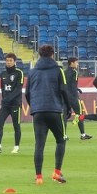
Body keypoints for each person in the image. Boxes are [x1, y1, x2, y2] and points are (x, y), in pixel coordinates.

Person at [25, 44, 71, 185]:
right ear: (52, 55)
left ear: (39, 55)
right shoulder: (58, 70)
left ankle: (38, 177)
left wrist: (34, 106)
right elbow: (63, 90)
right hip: (54, 110)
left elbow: (27, 93)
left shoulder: (32, 72)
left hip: (38, 111)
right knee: (61, 140)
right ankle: (57, 172)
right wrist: (68, 107)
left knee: (39, 145)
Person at [0, 53, 24, 154]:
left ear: (14, 62)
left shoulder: (19, 73)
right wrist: (4, 99)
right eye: (7, 61)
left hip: (15, 104)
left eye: (10, 61)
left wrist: (8, 99)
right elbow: (2, 89)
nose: (8, 63)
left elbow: (18, 90)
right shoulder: (3, 73)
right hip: (5, 104)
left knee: (16, 125)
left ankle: (16, 146)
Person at [64, 57, 92, 141]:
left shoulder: (64, 72)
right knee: (80, 114)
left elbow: (66, 84)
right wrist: (76, 92)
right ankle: (83, 134)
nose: (77, 64)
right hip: (73, 96)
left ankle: (64, 135)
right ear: (72, 63)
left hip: (65, 96)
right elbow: (73, 85)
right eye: (76, 62)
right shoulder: (74, 72)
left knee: (64, 116)